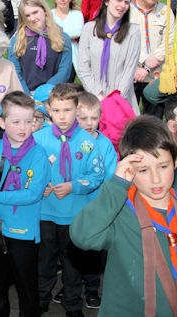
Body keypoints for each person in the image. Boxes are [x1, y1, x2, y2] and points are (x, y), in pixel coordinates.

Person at [71, 115, 177, 316]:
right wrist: (115, 185)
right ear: (129, 170)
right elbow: (83, 236)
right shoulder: (120, 210)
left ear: (176, 161)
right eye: (143, 170)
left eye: (163, 166)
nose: (156, 179)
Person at [0, 91, 50, 317]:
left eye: (28, 121)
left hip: (23, 233)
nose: (23, 127)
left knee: (27, 286)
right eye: (16, 122)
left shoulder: (38, 155)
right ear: (2, 123)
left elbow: (33, 193)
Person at [33, 83, 105, 316]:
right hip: (45, 213)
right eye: (56, 111)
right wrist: (38, 186)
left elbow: (96, 175)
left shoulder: (89, 142)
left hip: (74, 215)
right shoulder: (38, 139)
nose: (62, 116)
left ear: (76, 109)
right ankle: (40, 299)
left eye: (67, 110)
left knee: (73, 265)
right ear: (48, 110)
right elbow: (26, 171)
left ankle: (73, 304)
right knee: (45, 262)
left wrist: (74, 186)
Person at [74, 92, 118, 309]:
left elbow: (108, 176)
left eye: (94, 118)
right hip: (72, 207)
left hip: (95, 207)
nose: (89, 123)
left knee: (93, 253)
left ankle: (92, 290)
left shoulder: (106, 145)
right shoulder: (70, 141)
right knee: (72, 250)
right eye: (83, 118)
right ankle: (70, 286)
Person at [78, 0, 141, 114]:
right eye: (118, 0)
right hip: (93, 100)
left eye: (126, 2)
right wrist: (99, 97)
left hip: (121, 101)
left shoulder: (133, 32)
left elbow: (129, 71)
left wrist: (114, 100)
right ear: (107, 1)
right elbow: (83, 68)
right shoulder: (89, 29)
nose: (122, 6)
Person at [130, 0, 175, 119]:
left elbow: (169, 41)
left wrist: (148, 67)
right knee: (130, 121)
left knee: (154, 122)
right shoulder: (127, 11)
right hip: (132, 74)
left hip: (156, 75)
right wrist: (140, 66)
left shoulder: (165, 12)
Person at [8, 0, 72, 94]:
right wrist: (27, 96)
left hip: (53, 94)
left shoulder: (62, 38)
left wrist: (44, 93)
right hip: (25, 96)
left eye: (35, 12)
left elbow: (64, 70)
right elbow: (14, 71)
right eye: (27, 15)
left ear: (44, 10)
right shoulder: (17, 40)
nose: (32, 18)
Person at [51, 0, 84, 78]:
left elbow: (78, 32)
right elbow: (47, 33)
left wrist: (57, 34)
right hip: (53, 54)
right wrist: (69, 36)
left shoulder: (77, 14)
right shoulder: (49, 14)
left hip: (72, 54)